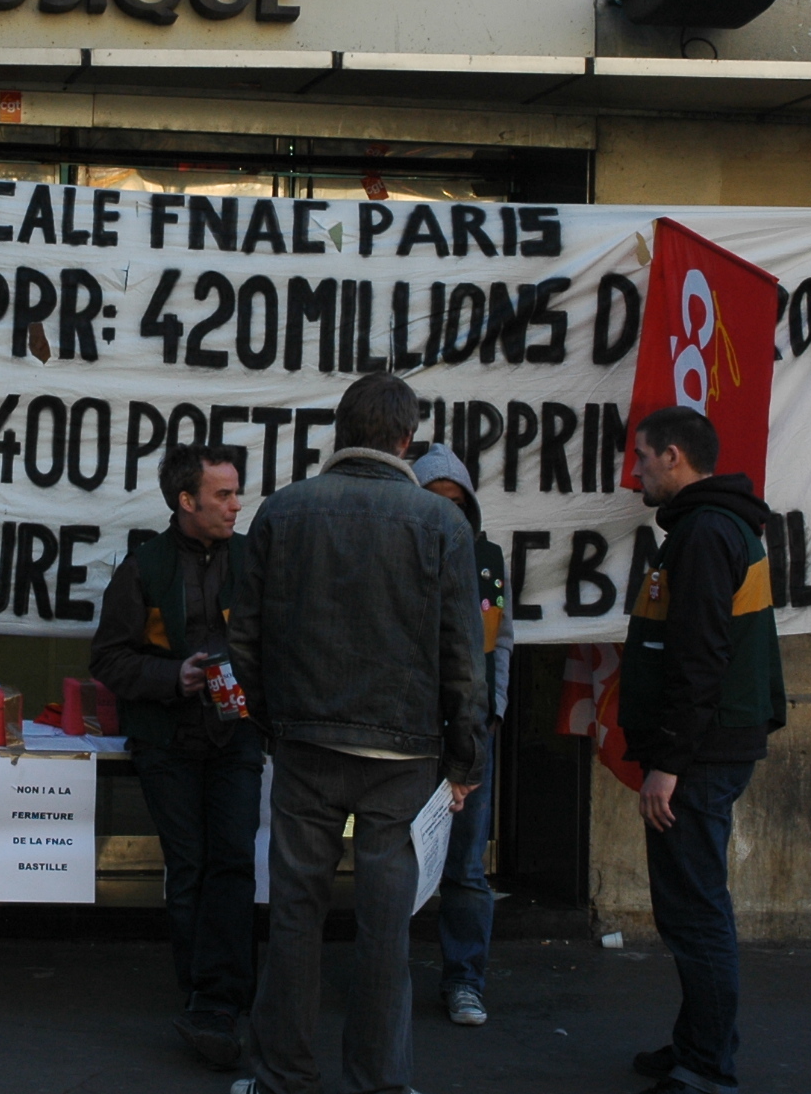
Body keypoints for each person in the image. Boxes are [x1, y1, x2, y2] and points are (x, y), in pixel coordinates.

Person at [225, 372, 486, 1094]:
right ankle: (379, 1081)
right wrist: (464, 761)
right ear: (406, 439)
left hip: (305, 745)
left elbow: (244, 640)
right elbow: (465, 659)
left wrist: (273, 719)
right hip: (404, 755)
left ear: (340, 431)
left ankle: (282, 1074)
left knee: (295, 917)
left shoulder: (284, 510)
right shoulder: (442, 525)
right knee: (385, 930)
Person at [617, 405, 784, 1094]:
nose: (636, 471)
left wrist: (668, 765)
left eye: (642, 457)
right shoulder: (713, 527)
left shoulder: (707, 532)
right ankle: (699, 1042)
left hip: (700, 756)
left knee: (695, 909)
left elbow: (698, 656)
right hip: (708, 749)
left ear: (674, 456)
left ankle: (708, 1063)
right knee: (690, 904)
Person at [90, 443, 262, 1072]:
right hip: (167, 743)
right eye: (223, 494)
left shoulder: (254, 559)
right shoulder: (144, 567)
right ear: (187, 501)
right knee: (189, 867)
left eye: (236, 491)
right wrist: (173, 677)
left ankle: (224, 997)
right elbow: (108, 658)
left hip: (237, 737)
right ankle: (202, 996)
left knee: (234, 861)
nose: (236, 505)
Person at [411, 443, 512, 1028]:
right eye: (435, 500)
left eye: (456, 502)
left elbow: (502, 640)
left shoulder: (487, 559)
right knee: (394, 860)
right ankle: (386, 978)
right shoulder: (396, 553)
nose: (447, 512)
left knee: (467, 867)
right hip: (410, 733)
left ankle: (465, 980)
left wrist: (493, 709)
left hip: (472, 733)